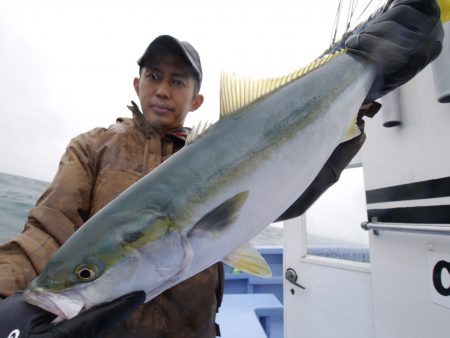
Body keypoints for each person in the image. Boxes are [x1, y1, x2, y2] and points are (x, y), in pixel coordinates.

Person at [0, 0, 443, 337]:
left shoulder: (228, 141)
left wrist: (359, 100)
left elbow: (285, 195)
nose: (162, 89)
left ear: (196, 100)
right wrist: (7, 302)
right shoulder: (91, 148)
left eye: (178, 81)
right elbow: (45, 230)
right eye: (153, 76)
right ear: (137, 84)